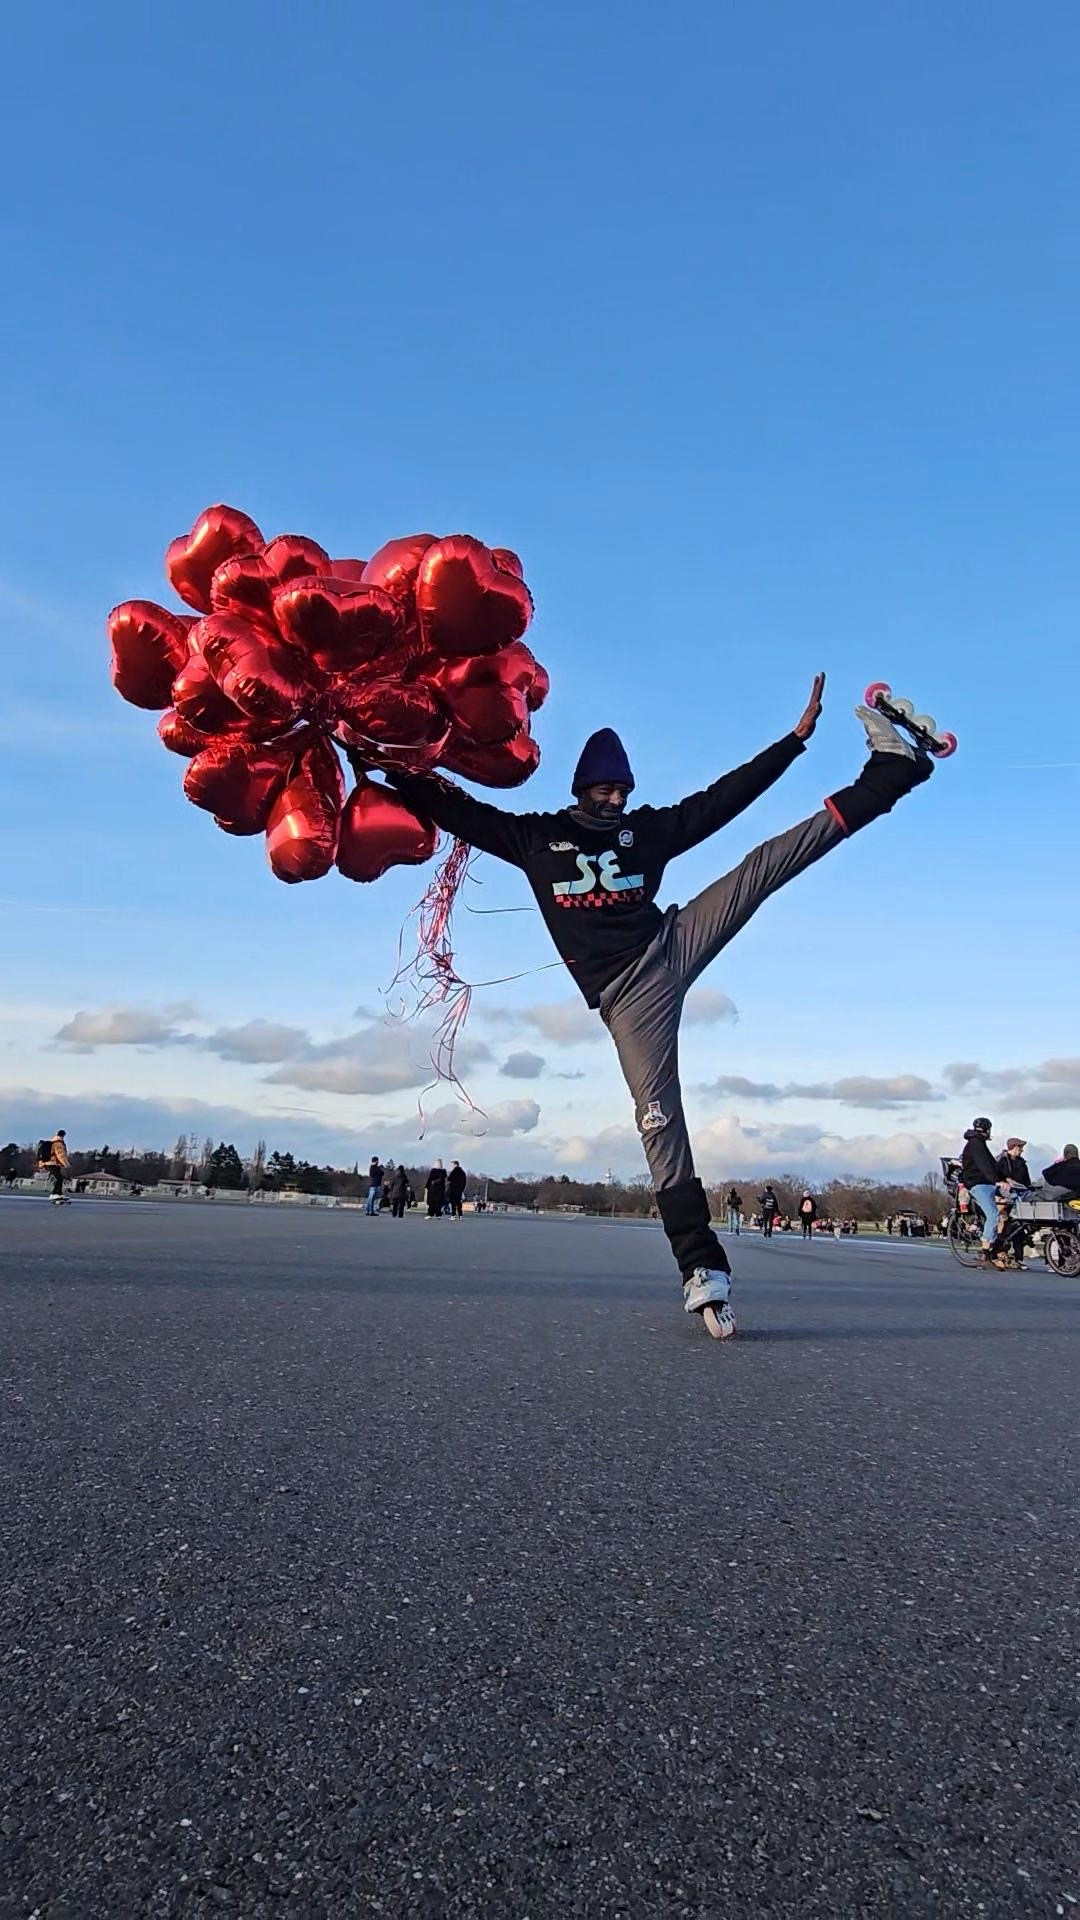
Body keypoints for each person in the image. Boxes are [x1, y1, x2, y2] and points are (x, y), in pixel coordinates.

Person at [378, 680, 933, 1338]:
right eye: (605, 791)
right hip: (627, 998)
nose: (615, 802)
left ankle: (891, 772)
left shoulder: (647, 832)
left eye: (623, 792)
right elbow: (460, 813)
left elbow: (721, 801)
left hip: (670, 943)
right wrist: (391, 767)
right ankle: (702, 1268)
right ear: (580, 789)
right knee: (658, 1121)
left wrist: (792, 743)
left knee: (762, 865)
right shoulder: (536, 840)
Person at [960, 1117, 1007, 1265]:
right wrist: (996, 1180)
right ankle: (986, 1251)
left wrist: (1005, 1179)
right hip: (978, 1183)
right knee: (993, 1214)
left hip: (987, 1183)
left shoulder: (979, 1143)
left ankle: (999, 1245)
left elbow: (992, 1165)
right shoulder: (975, 1144)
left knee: (1006, 1209)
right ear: (987, 1130)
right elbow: (984, 1165)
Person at [997, 1136, 1032, 1268]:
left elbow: (1026, 1181)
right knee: (1006, 1225)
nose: (1022, 1150)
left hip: (1020, 1195)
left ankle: (1018, 1257)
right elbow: (996, 1177)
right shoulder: (1001, 1161)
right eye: (1020, 1147)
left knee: (1019, 1226)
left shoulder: (1022, 1163)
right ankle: (1001, 1252)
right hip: (1005, 1195)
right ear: (1014, 1147)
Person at [37, 1129, 70, 1204]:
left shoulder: (52, 1142)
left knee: (60, 1178)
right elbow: (60, 1155)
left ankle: (59, 1194)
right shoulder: (58, 1143)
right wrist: (66, 1164)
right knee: (59, 1178)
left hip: (51, 1163)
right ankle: (54, 1193)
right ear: (62, 1135)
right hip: (52, 1163)